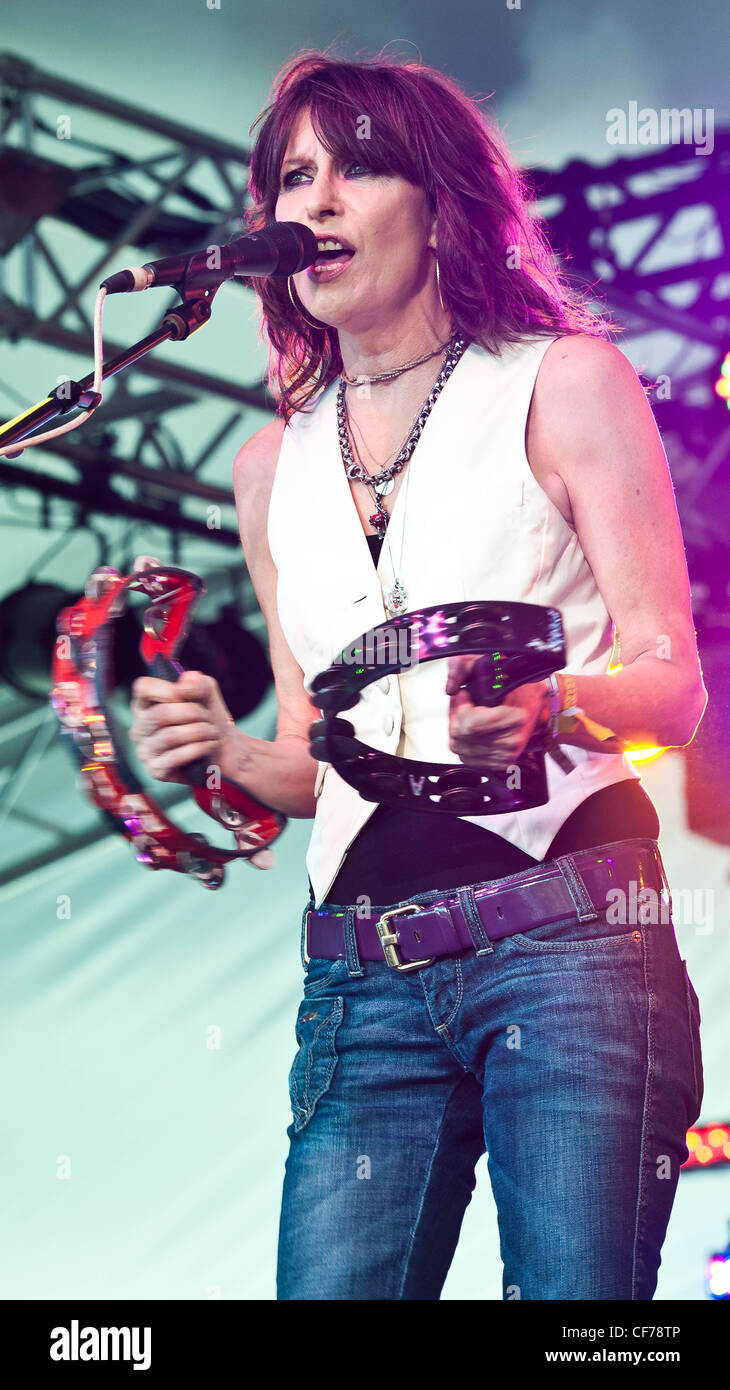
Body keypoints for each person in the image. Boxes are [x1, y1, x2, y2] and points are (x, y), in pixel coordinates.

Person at [130, 51, 707, 1300]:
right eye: (294, 177)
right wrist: (223, 750)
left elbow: (672, 680)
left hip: (569, 943)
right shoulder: (266, 468)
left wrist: (561, 702)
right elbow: (310, 761)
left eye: (360, 166)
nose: (316, 203)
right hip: (358, 978)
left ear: (441, 203)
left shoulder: (563, 382)